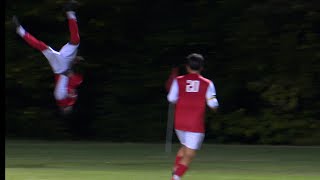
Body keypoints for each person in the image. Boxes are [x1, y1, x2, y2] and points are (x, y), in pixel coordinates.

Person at [12, 0, 84, 115]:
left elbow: (61, 90)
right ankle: (69, 11)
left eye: (65, 110)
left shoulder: (62, 98)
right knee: (75, 41)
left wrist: (64, 105)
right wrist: (73, 65)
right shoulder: (75, 91)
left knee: (43, 47)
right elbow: (72, 78)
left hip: (60, 68)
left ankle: (20, 30)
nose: (66, 109)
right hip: (66, 64)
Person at [166, 53, 219, 180]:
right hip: (195, 123)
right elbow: (212, 103)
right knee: (190, 154)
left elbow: (171, 98)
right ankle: (176, 177)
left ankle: (175, 171)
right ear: (202, 67)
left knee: (184, 147)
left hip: (180, 122)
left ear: (187, 67)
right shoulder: (207, 83)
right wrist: (215, 107)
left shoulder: (178, 80)